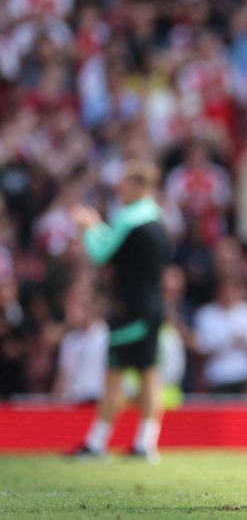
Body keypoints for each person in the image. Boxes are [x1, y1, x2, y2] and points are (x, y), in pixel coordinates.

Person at [69, 158, 172, 464]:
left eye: (125, 182)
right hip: (152, 306)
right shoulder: (156, 217)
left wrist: (88, 229)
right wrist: (100, 227)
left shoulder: (128, 217)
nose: (119, 187)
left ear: (140, 186)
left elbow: (101, 253)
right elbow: (119, 245)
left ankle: (97, 443)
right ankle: (145, 443)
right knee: (149, 373)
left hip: (129, 309)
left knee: (115, 373)